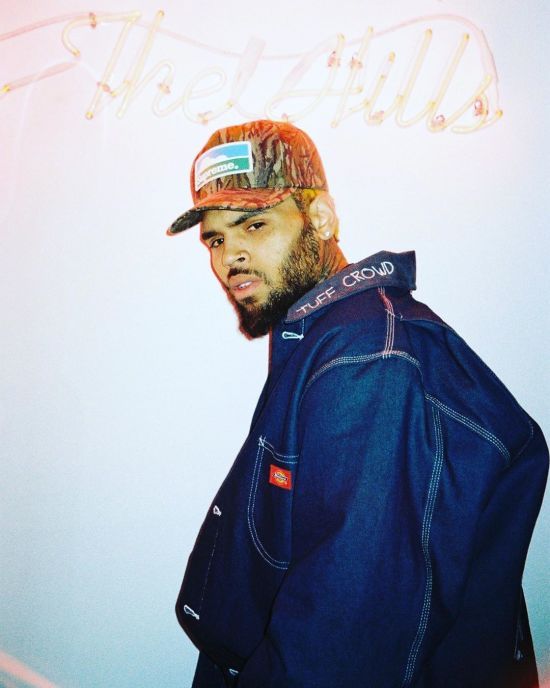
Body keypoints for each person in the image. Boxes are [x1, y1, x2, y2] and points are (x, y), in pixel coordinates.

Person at [167, 120, 548, 688]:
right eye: (216, 239)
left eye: (254, 224)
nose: (229, 258)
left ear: (320, 218)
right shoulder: (330, 338)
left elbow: (342, 645)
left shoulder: (369, 360)